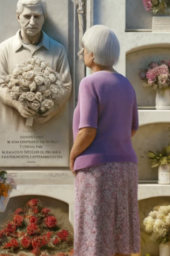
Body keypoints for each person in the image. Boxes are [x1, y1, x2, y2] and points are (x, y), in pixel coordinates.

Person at [70, 25, 140, 256]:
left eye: (84, 49)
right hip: (126, 168)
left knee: (94, 233)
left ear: (93, 53)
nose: (82, 53)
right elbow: (132, 128)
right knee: (119, 232)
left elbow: (87, 130)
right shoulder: (126, 84)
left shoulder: (89, 83)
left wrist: (73, 155)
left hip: (96, 170)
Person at [0, 0, 72, 127]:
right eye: (27, 16)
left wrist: (54, 109)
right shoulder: (4, 48)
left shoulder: (58, 49)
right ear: (18, 17)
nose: (32, 22)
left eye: (37, 16)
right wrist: (16, 104)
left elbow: (66, 85)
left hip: (49, 128)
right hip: (14, 126)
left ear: (44, 17)